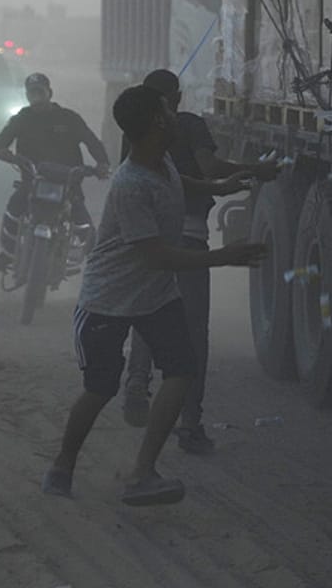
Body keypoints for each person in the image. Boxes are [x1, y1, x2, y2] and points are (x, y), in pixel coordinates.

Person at [41, 85, 264, 506]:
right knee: (100, 388)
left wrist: (221, 186)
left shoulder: (160, 162)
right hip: (108, 299)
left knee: (182, 369)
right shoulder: (131, 184)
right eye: (168, 108)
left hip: (155, 297)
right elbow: (156, 255)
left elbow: (184, 183)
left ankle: (143, 472)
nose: (176, 114)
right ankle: (63, 463)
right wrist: (225, 256)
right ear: (158, 122)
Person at [121, 69, 280, 454]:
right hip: (190, 237)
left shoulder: (133, 135)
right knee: (194, 335)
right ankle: (191, 426)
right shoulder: (189, 125)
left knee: (147, 312)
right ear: (174, 98)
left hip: (149, 238)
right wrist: (255, 171)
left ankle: (137, 377)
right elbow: (207, 168)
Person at [0, 72, 111, 273]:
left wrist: (102, 164)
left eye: (40, 91)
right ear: (27, 95)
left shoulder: (69, 118)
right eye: (32, 93)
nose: (36, 96)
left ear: (49, 93)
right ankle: (9, 253)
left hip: (68, 183)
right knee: (13, 209)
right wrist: (5, 154)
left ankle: (101, 266)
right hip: (33, 181)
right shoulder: (22, 118)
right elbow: (0, 144)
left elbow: (92, 142)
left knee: (83, 224)